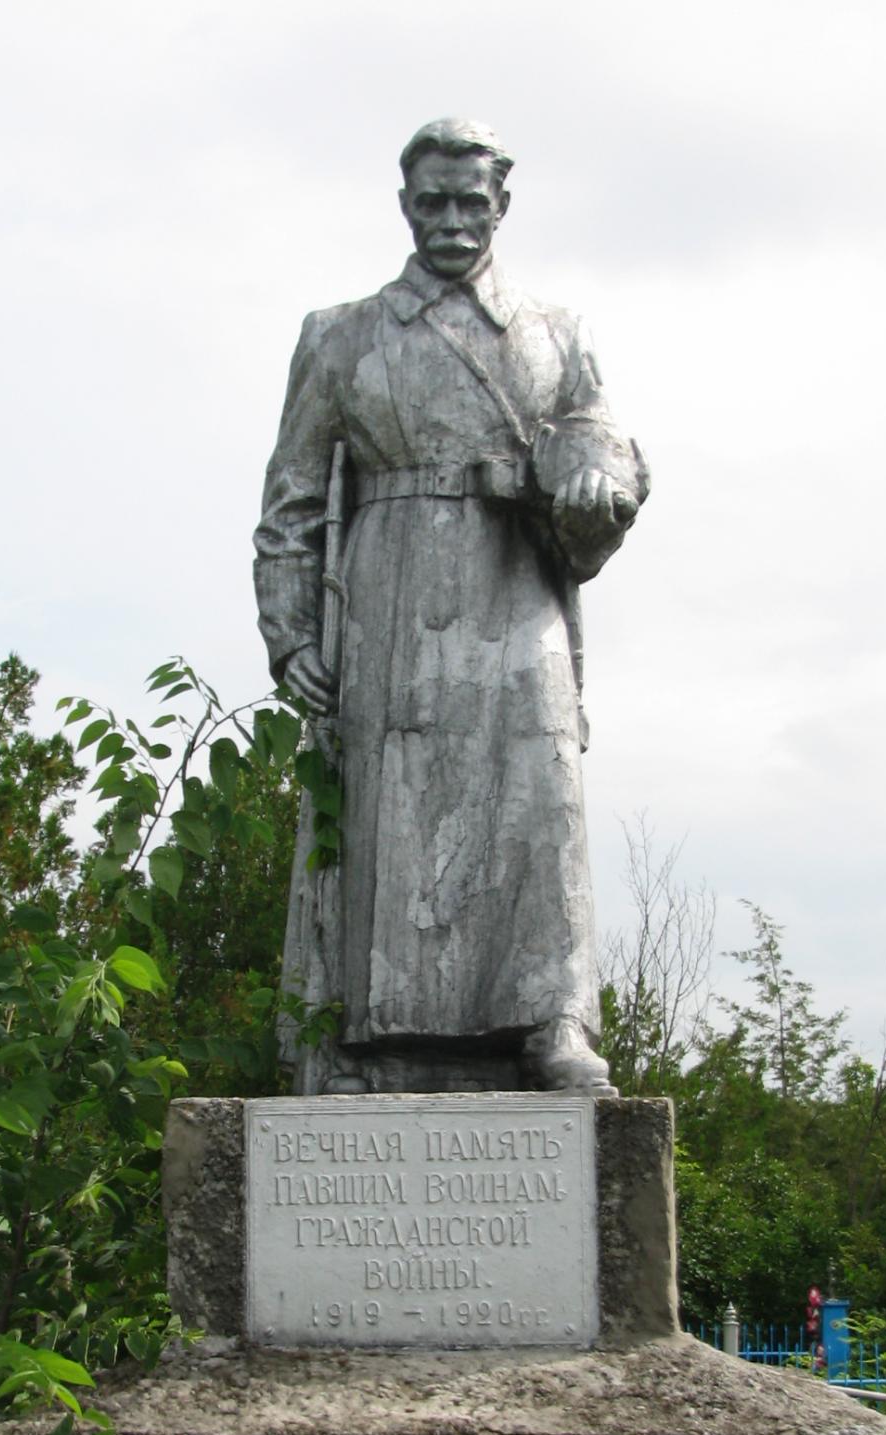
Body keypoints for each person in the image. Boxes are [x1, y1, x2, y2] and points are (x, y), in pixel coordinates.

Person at [254, 118, 645, 1095]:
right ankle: (376, 1035)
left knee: (540, 789)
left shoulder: (559, 335)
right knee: (392, 804)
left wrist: (597, 484)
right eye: (433, 201)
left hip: (516, 589)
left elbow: (602, 447)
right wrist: (290, 629)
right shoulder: (341, 336)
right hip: (392, 595)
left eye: (473, 202)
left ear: (502, 206)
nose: (453, 222)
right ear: (404, 205)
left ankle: (554, 1019)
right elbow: (291, 502)